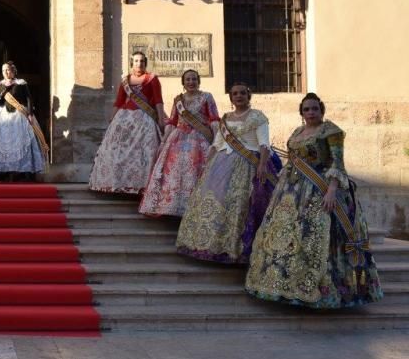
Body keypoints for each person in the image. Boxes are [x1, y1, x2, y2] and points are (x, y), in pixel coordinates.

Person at [246, 93, 382, 308]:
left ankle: (325, 292)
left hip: (320, 189)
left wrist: (331, 190)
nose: (311, 113)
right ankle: (281, 286)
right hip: (291, 191)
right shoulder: (298, 132)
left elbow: (338, 164)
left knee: (315, 235)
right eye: (307, 109)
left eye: (314, 109)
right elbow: (292, 161)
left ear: (322, 110)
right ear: (301, 113)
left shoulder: (331, 132)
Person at [176, 83, 281, 264]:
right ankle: (209, 245)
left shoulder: (258, 116)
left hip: (248, 162)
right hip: (221, 163)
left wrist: (263, 165)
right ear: (231, 98)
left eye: (242, 93)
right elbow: (217, 144)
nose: (238, 96)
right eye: (234, 94)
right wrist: (207, 166)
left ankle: (233, 249)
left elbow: (264, 143)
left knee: (239, 202)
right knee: (215, 199)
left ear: (249, 95)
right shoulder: (225, 118)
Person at [139, 69, 219, 217]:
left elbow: (214, 119)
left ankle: (194, 207)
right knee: (174, 171)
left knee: (195, 171)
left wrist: (216, 140)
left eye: (194, 79)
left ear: (198, 81)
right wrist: (164, 140)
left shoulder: (207, 97)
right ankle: (171, 206)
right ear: (183, 82)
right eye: (188, 79)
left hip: (199, 140)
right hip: (178, 139)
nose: (191, 82)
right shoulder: (178, 100)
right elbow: (173, 120)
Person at [89, 52, 166, 194]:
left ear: (145, 63)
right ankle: (118, 183)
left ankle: (142, 186)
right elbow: (119, 101)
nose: (139, 64)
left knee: (145, 151)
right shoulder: (125, 81)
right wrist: (112, 119)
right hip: (124, 119)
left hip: (145, 119)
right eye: (136, 61)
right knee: (118, 151)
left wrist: (161, 119)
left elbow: (158, 100)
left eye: (142, 61)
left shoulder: (152, 79)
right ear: (132, 63)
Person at [0, 61, 47, 179]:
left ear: (13, 71)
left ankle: (23, 172)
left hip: (20, 115)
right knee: (0, 143)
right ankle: (2, 171)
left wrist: (30, 114)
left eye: (8, 70)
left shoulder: (20, 83)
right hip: (2, 115)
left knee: (21, 143)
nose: (6, 72)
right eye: (3, 70)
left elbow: (29, 99)